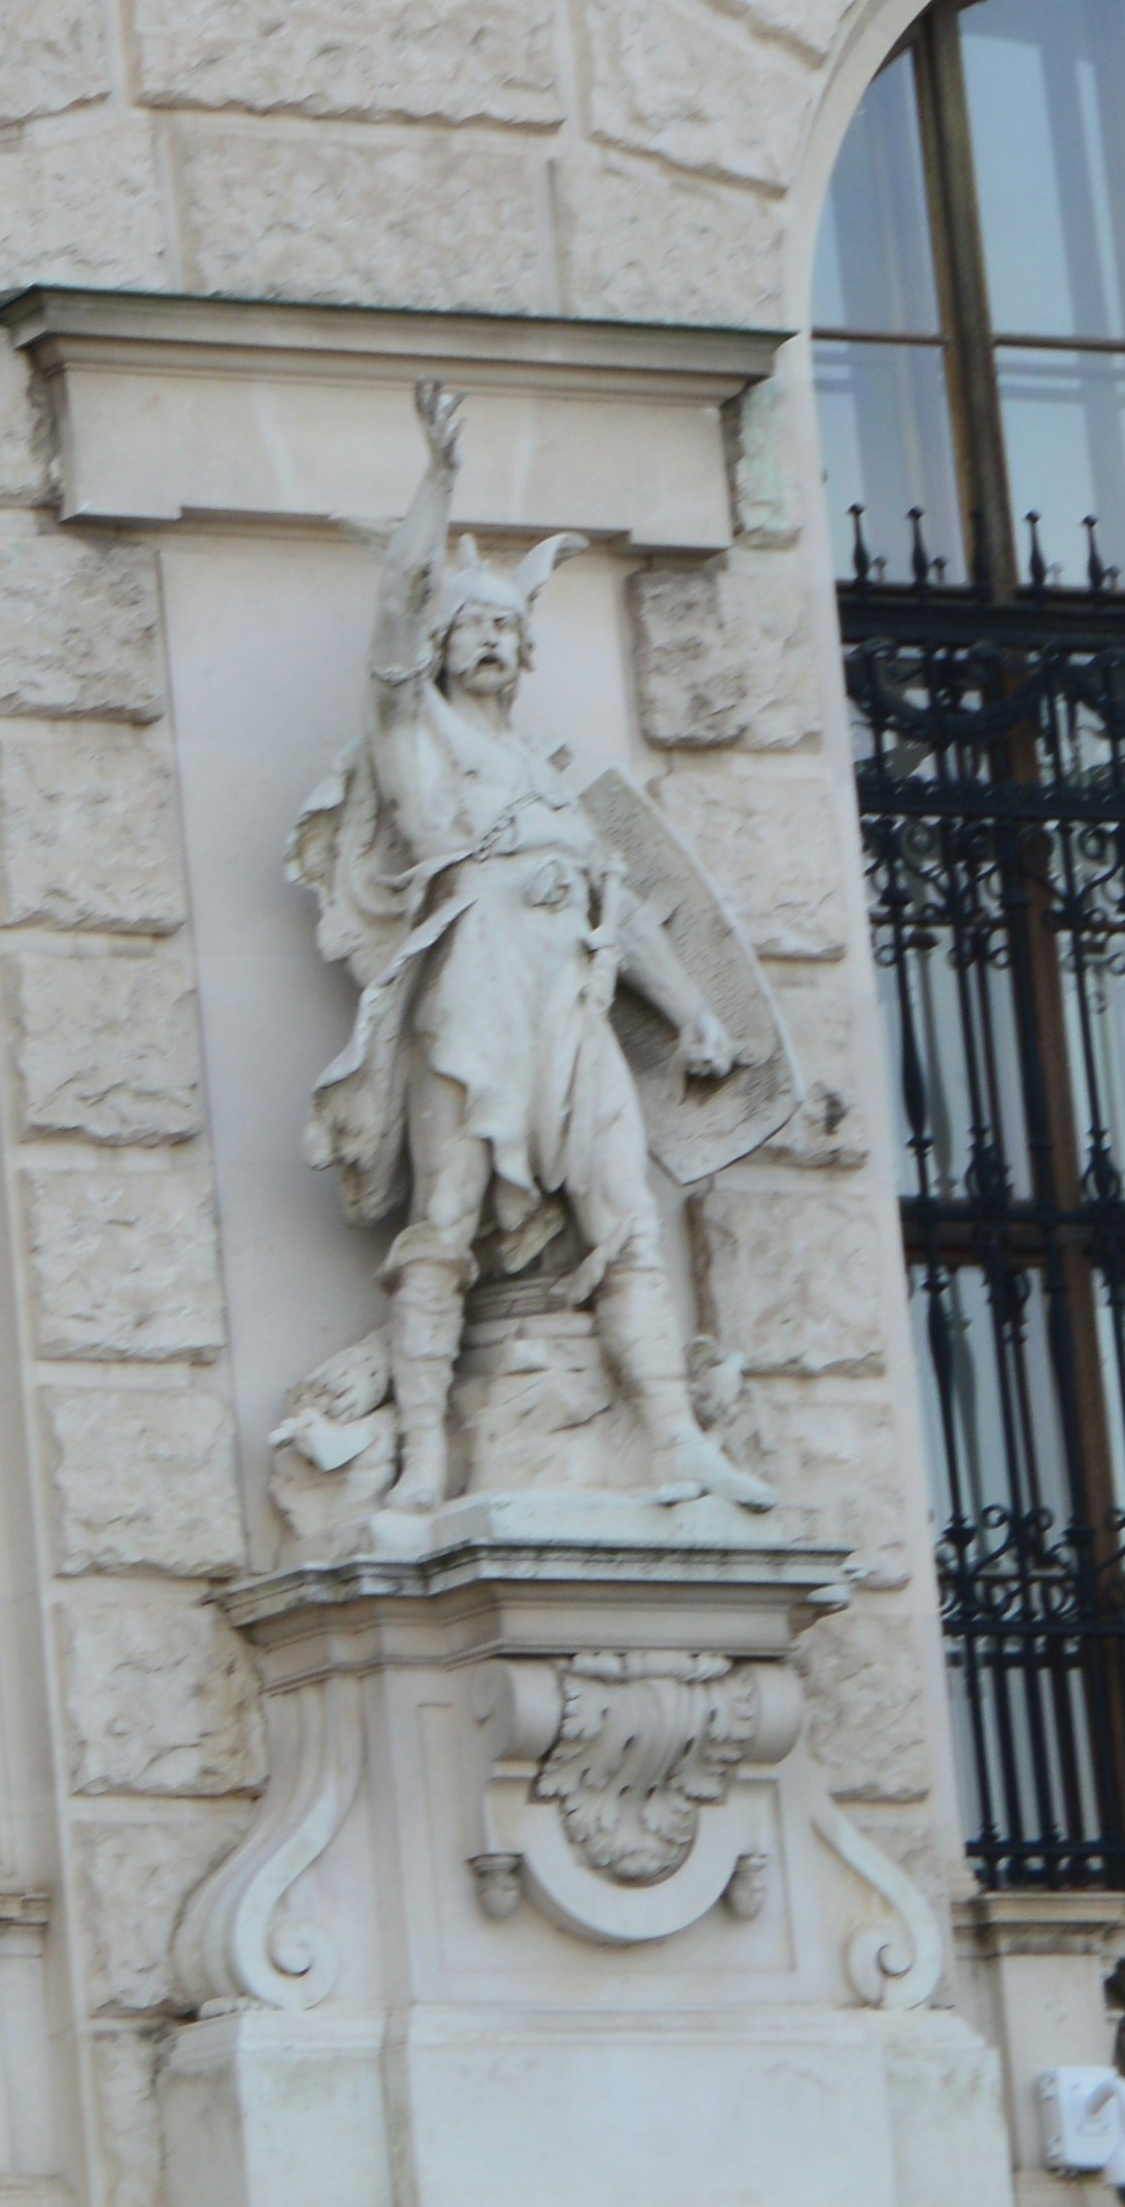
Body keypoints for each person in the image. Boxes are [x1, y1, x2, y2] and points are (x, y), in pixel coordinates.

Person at [293, 378, 770, 1514]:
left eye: (509, 626)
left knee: (624, 1208)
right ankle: (423, 1460)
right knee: (443, 1221)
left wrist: (688, 1011)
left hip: (572, 1001)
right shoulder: (417, 744)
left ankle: (672, 1442)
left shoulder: (555, 789)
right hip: (474, 1005)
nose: (493, 641)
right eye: (473, 626)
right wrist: (438, 483)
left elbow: (622, 908)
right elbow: (393, 617)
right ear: (444, 648)